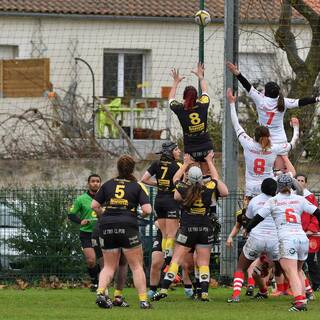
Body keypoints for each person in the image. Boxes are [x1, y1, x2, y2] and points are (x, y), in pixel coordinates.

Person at [152, 152, 228, 302]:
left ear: (188, 178)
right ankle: (204, 293)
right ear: (201, 178)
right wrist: (209, 162)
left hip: (187, 229)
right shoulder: (207, 189)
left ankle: (163, 289)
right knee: (204, 263)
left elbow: (174, 179)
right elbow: (215, 179)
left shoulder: (184, 188)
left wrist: (185, 164)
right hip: (205, 229)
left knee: (176, 260)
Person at [226, 61, 319, 171]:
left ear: (266, 92)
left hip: (264, 140)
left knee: (266, 171)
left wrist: (237, 73)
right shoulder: (283, 101)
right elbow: (301, 102)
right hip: (281, 141)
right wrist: (317, 99)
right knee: (281, 172)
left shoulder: (260, 99)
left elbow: (247, 85)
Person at [247, 174, 320, 312]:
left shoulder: (273, 201)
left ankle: (300, 302)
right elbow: (317, 212)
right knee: (298, 271)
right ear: (291, 185)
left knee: (292, 272)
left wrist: (248, 228)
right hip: (302, 238)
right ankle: (303, 298)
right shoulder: (300, 199)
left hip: (287, 239)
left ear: (278, 186)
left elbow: (258, 217)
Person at [91, 155, 152, 309]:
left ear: (118, 168)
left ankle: (100, 293)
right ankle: (143, 301)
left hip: (107, 226)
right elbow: (147, 210)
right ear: (132, 169)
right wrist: (139, 216)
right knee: (136, 266)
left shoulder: (108, 184)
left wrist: (105, 215)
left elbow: (94, 206)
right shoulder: (136, 186)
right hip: (128, 225)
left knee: (109, 267)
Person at [226, 88, 299, 198]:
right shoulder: (274, 148)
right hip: (269, 188)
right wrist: (296, 128)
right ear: (269, 137)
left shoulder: (248, 143)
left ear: (254, 136)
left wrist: (231, 103)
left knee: (251, 213)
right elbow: (293, 143)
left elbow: (236, 124)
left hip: (251, 189)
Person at [228, 178, 279, 302]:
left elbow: (249, 218)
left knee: (241, 267)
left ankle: (235, 295)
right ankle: (305, 294)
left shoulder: (255, 201)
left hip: (257, 238)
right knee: (292, 269)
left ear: (262, 188)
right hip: (275, 240)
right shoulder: (278, 201)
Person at [141, 141, 181, 267]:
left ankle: (165, 258)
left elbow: (144, 179)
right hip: (171, 200)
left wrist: (158, 184)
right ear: (170, 152)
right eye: (176, 149)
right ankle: (168, 260)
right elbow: (182, 184)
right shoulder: (178, 166)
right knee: (172, 234)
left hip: (158, 200)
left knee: (164, 234)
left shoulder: (156, 164)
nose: (179, 151)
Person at [168, 63, 213, 167]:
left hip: (191, 148)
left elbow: (171, 99)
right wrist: (201, 77)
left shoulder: (180, 109)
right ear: (197, 96)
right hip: (206, 145)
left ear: (184, 97)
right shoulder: (203, 105)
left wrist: (175, 82)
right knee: (210, 178)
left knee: (192, 178)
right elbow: (205, 91)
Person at [68, 174, 103, 291]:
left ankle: (102, 283)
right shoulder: (81, 199)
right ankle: (95, 281)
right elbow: (71, 214)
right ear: (88, 183)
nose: (95, 183)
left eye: (98, 181)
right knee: (91, 260)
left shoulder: (105, 198)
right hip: (86, 233)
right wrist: (80, 221)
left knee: (104, 261)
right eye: (93, 181)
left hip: (102, 233)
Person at [296, 173, 320, 292]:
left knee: (311, 260)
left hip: (309, 234)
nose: (299, 182)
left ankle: (316, 285)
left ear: (305, 183)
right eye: (297, 180)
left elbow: (315, 215)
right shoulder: (291, 196)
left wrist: (311, 228)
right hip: (295, 233)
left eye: (302, 180)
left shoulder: (310, 197)